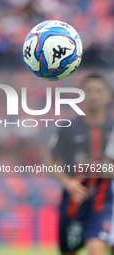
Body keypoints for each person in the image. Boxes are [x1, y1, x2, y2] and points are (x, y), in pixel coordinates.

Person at [48, 72, 114, 255]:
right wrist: (67, 182)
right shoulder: (68, 128)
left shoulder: (112, 128)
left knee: (96, 251)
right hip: (72, 204)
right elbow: (51, 160)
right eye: (89, 91)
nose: (94, 95)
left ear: (108, 95)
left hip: (102, 204)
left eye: (98, 91)